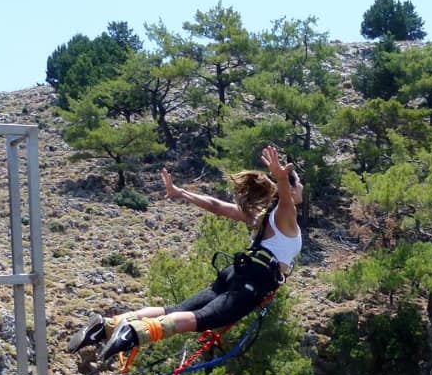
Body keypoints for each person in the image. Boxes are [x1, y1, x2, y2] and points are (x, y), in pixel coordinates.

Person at [68, 144, 303, 363]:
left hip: (236, 272)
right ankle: (135, 332)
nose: (301, 187)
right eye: (298, 184)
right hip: (254, 278)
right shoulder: (284, 217)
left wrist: (181, 192)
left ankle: (109, 325)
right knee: (202, 319)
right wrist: (281, 177)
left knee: (174, 310)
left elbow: (216, 206)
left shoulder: (259, 215)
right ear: (291, 190)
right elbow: (284, 200)